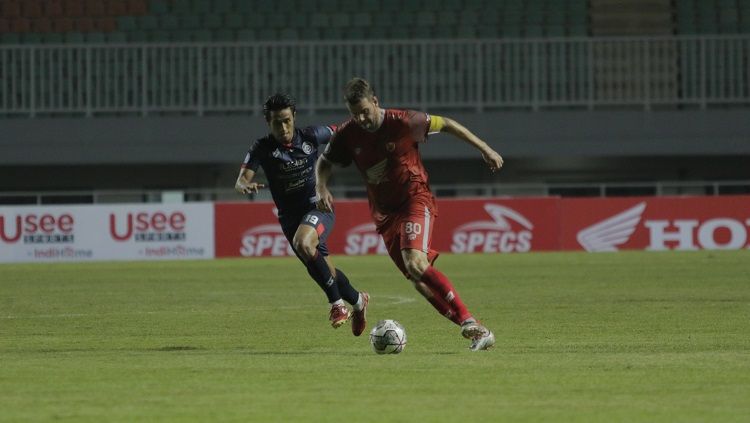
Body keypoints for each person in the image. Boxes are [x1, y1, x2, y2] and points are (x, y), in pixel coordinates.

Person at [315, 78, 503, 351]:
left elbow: (447, 124)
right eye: (355, 113)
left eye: (365, 111)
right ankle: (476, 331)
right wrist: (321, 187)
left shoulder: (404, 121)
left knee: (415, 263)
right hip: (384, 215)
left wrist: (484, 148)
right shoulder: (347, 134)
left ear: (376, 102)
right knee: (419, 282)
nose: (362, 118)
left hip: (415, 199)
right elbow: (324, 161)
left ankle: (469, 321)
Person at [235, 93, 369, 336]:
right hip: (290, 219)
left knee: (303, 243)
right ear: (268, 122)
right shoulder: (262, 148)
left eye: (287, 120)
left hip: (318, 207)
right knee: (327, 272)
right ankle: (359, 301)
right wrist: (245, 186)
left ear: (294, 117)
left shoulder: (310, 136)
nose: (283, 127)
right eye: (277, 122)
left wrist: (367, 124)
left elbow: (342, 131)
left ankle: (337, 306)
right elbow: (241, 180)